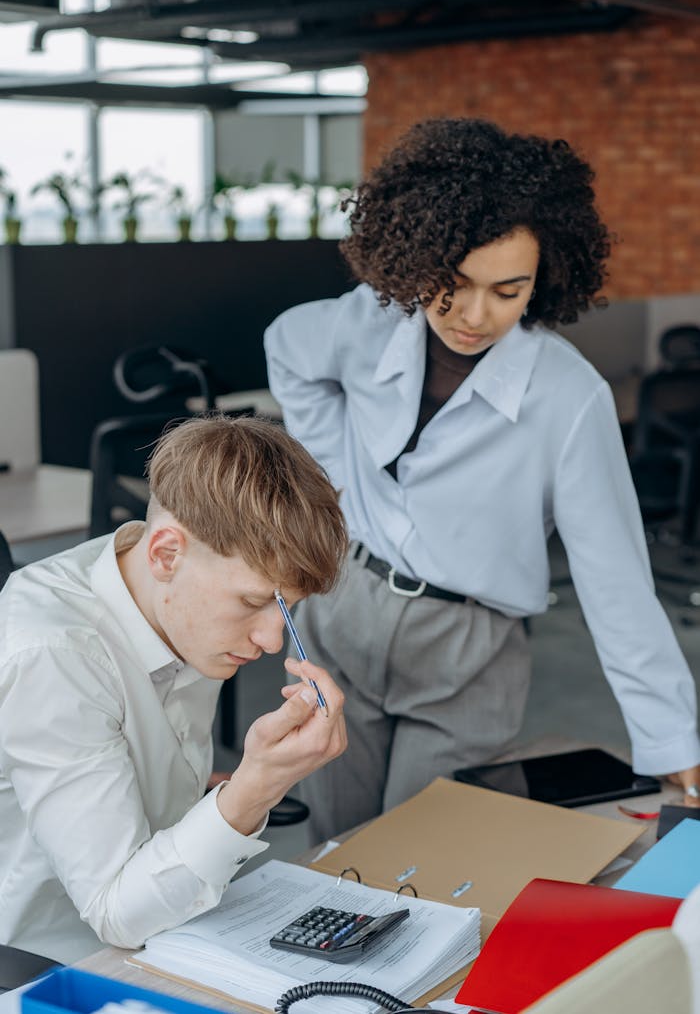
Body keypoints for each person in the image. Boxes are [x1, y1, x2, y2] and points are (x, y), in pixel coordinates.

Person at [264, 116, 700, 843]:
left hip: (467, 646)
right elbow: (287, 345)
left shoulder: (569, 396)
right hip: (345, 608)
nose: (472, 316)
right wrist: (333, 481)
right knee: (335, 848)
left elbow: (615, 581)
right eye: (454, 284)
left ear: (545, 279)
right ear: (418, 257)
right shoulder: (370, 322)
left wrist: (676, 746)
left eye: (508, 290)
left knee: (416, 858)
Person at [0, 415, 348, 962]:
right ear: (165, 553)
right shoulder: (57, 656)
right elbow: (116, 913)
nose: (270, 640)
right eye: (254, 602)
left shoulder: (164, 587)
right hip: (59, 963)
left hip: (177, 919)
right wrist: (256, 786)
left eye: (286, 611)